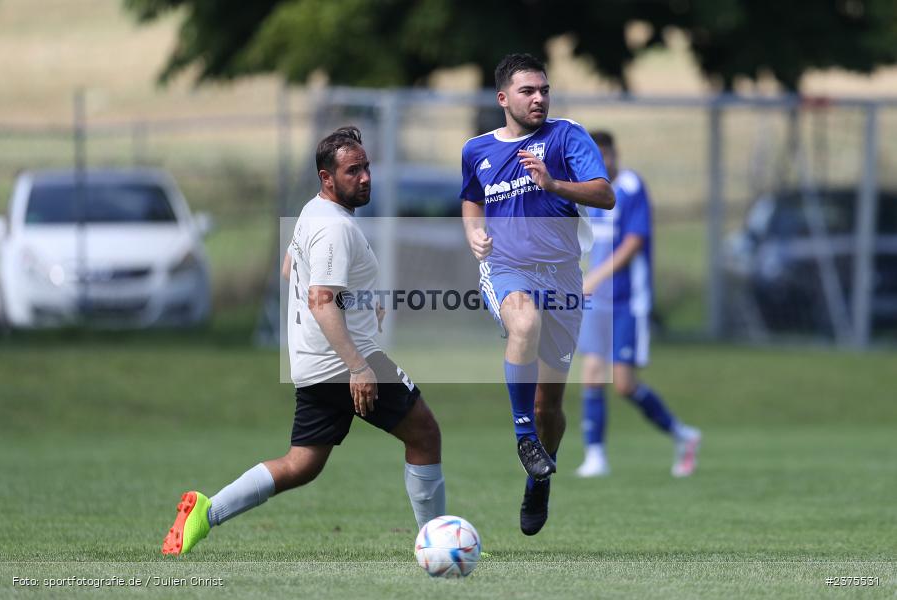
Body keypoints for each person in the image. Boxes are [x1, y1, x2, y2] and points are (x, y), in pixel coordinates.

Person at [161, 126, 445, 555]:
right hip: (346, 362)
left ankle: (205, 511)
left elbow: (289, 268)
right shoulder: (334, 228)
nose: (365, 177)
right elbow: (320, 300)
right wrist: (359, 366)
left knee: (301, 465)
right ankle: (441, 543)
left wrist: (360, 298)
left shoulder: (312, 212)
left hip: (313, 365)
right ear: (326, 178)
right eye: (353, 171)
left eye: (367, 167)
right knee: (424, 433)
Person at [460, 54, 615, 536]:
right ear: (503, 98)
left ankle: (540, 474)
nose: (539, 98)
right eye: (528, 91)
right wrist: (473, 233)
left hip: (564, 277)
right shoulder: (477, 149)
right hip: (506, 268)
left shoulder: (567, 136)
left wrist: (554, 184)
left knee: (551, 405)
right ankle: (524, 437)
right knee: (522, 323)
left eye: (544, 89)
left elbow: (605, 195)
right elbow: (470, 197)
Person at [575, 130, 701, 479]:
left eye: (607, 156)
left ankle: (682, 435)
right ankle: (595, 456)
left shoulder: (631, 188)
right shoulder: (587, 192)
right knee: (591, 374)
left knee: (625, 384)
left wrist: (596, 278)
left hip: (628, 302)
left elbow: (633, 243)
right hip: (595, 304)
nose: (603, 163)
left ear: (616, 155)